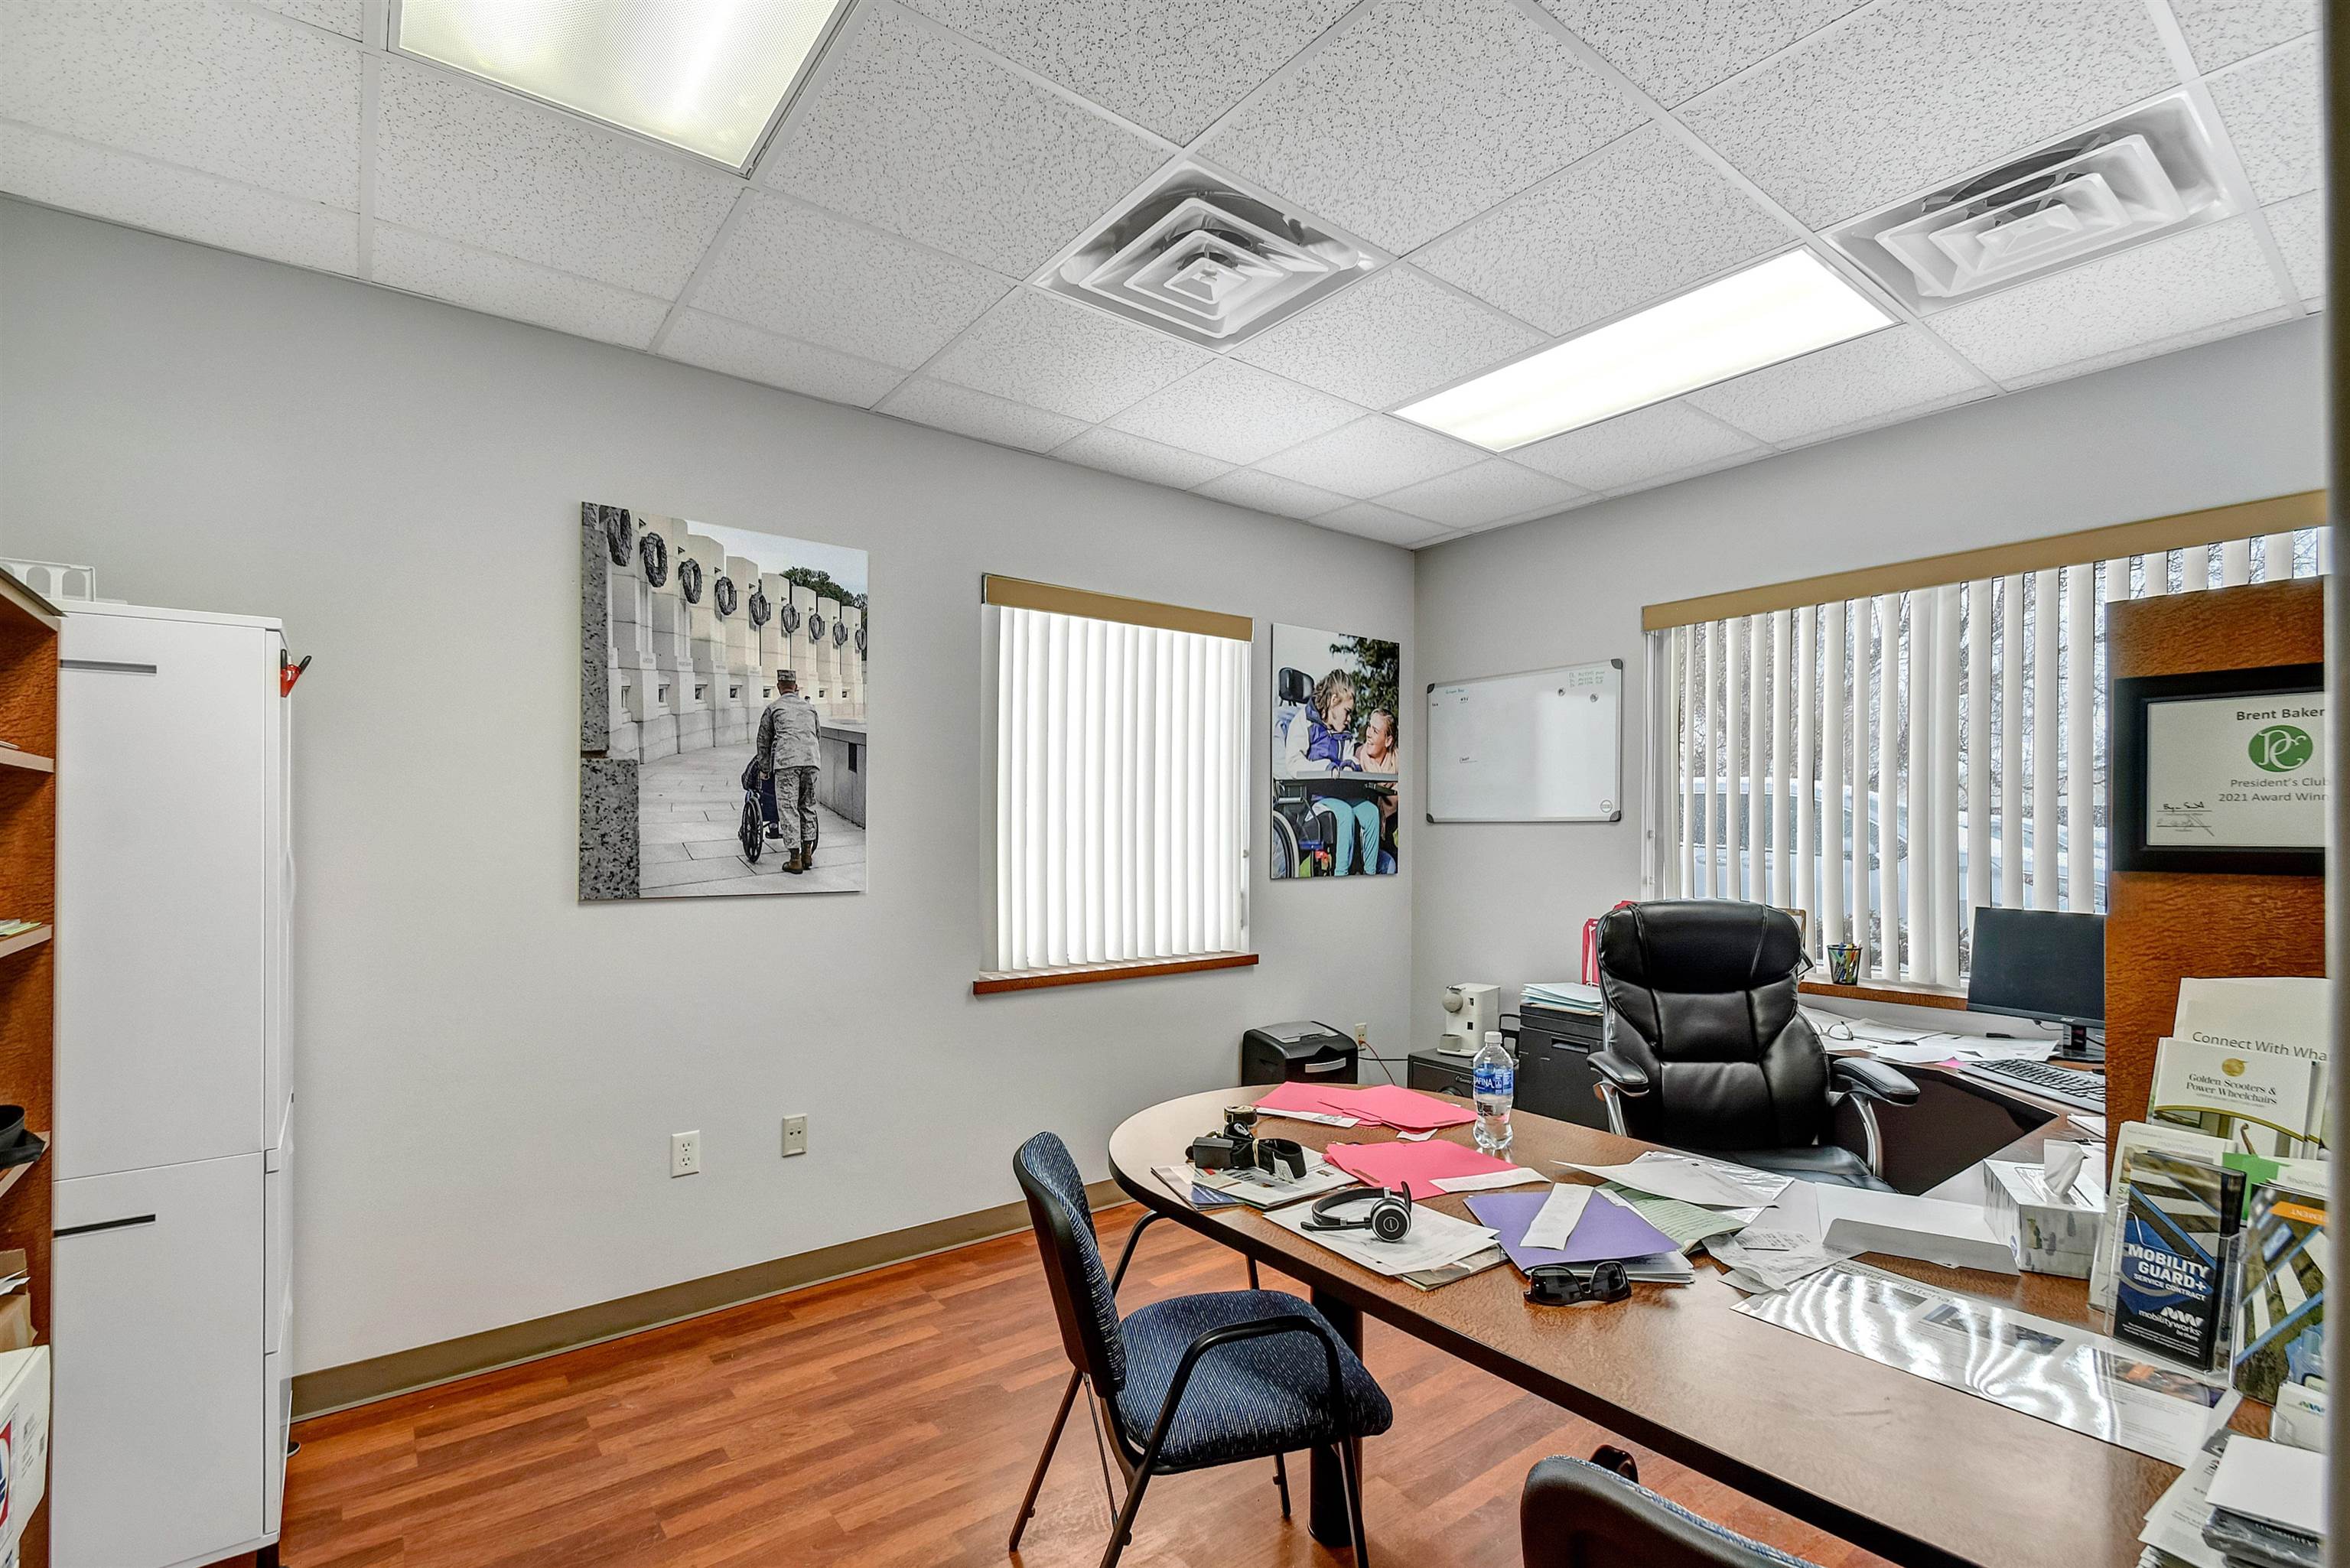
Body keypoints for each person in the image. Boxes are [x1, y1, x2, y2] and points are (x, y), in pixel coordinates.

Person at [1292, 669, 1380, 876]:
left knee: (1371, 813)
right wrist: (1325, 767)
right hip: (1316, 799)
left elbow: (1350, 755)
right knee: (1345, 813)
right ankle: (1341, 876)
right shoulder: (1304, 722)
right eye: (1347, 711)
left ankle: (1371, 875)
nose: (1349, 718)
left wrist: (1351, 765)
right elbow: (1294, 763)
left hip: (1342, 793)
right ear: (1333, 701)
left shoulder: (1343, 730)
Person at [754, 669, 822, 875]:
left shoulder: (773, 708)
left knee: (788, 807)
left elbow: (763, 741)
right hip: (811, 760)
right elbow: (817, 735)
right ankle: (807, 854)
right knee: (807, 805)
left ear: (778, 687)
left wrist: (764, 769)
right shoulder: (810, 708)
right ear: (796, 687)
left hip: (787, 762)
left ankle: (795, 859)